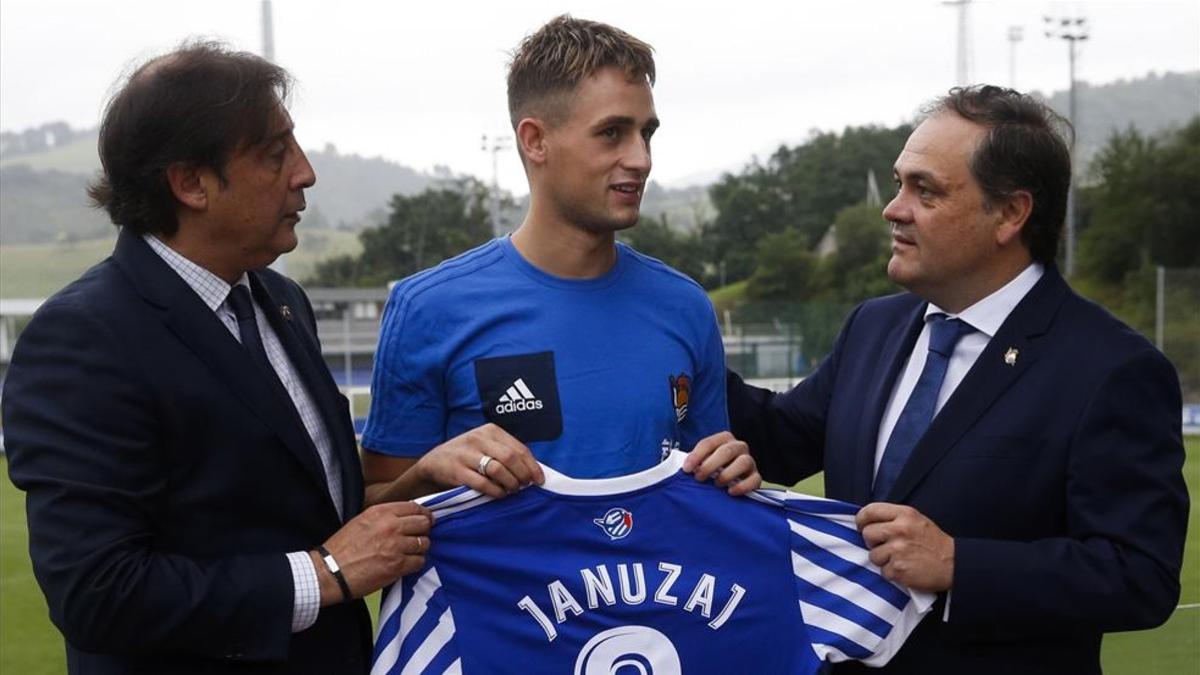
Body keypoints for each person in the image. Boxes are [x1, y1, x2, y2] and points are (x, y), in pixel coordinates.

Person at [692, 85, 1189, 674]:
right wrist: (668, 334)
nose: (893, 208)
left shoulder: (1110, 368)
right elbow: (775, 439)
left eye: (924, 190)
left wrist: (959, 564)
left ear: (1010, 214)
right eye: (900, 182)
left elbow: (1141, 575)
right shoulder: (874, 327)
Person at [1, 42, 431, 674]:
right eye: (275, 153)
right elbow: (99, 592)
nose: (306, 173)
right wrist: (325, 575)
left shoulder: (281, 301)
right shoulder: (84, 337)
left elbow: (301, 508)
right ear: (190, 183)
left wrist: (422, 482)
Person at [360, 15, 758, 503]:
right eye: (612, 132)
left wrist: (731, 473)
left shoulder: (685, 304)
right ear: (535, 140)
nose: (641, 158)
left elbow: (707, 483)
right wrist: (427, 474)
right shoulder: (428, 308)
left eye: (646, 133)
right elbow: (373, 508)